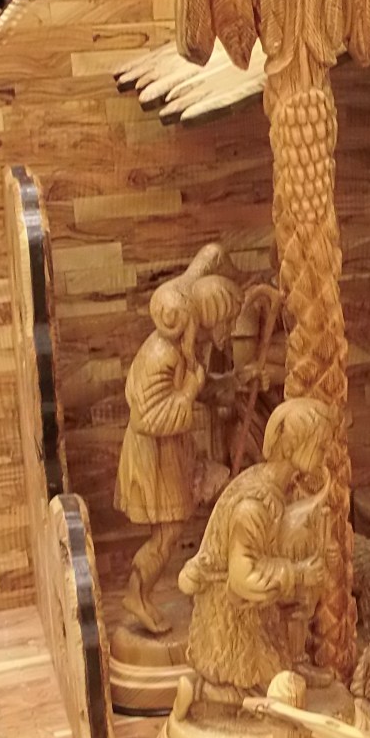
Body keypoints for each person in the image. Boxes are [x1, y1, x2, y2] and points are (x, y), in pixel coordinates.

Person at [114, 246, 242, 634]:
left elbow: (193, 389)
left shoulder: (181, 349)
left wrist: (231, 383)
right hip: (153, 456)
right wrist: (189, 392)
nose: (220, 333)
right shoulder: (162, 354)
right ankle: (136, 595)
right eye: (219, 323)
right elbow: (148, 417)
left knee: (188, 516)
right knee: (166, 535)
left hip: (171, 451)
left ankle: (209, 584)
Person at [178, 398, 335, 702]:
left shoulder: (279, 486)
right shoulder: (253, 506)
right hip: (233, 618)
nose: (325, 453)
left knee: (285, 681)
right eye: (319, 446)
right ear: (293, 447)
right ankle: (207, 692)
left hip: (260, 613)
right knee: (273, 696)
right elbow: (243, 578)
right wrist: (297, 573)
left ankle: (288, 665)